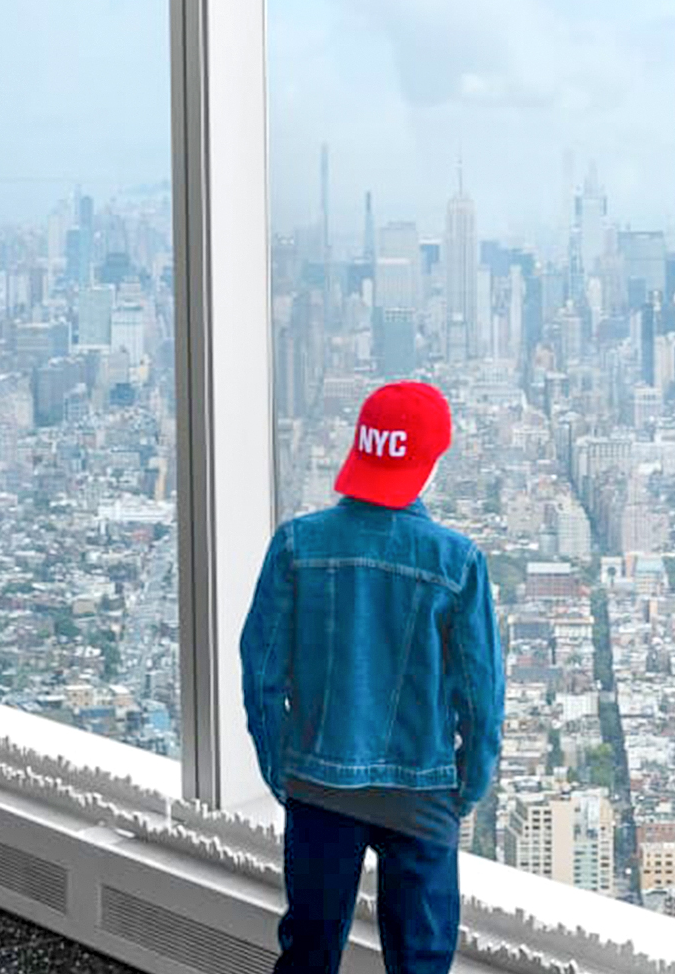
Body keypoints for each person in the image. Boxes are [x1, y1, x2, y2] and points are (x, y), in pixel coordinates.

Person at [240, 380, 505, 974]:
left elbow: (260, 671)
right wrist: (466, 786)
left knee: (308, 951)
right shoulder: (457, 561)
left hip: (318, 780)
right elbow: (482, 698)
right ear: (432, 462)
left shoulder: (296, 545)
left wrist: (282, 764)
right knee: (420, 961)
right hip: (423, 790)